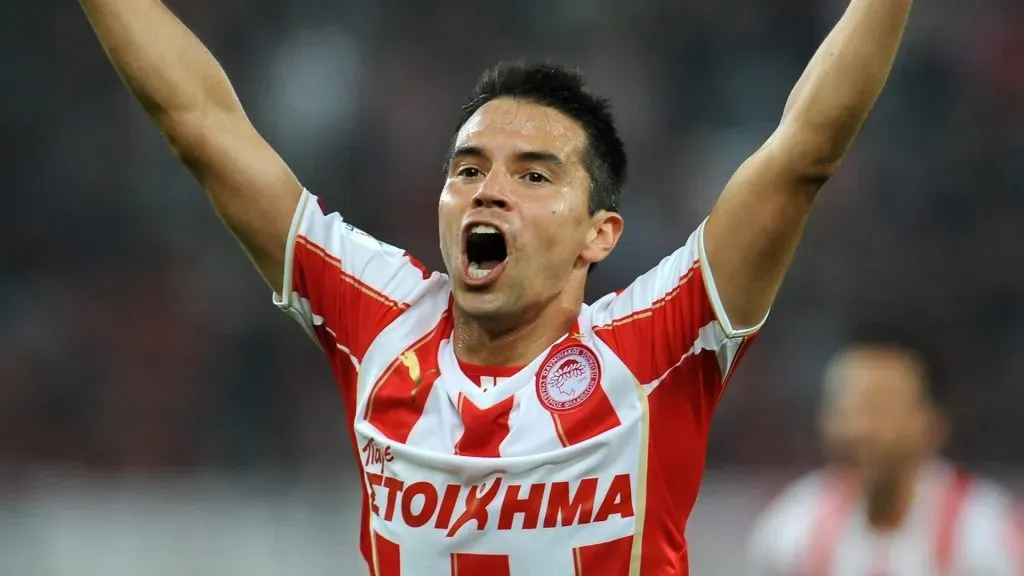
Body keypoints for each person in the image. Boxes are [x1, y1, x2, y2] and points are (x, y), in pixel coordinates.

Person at [79, 0, 915, 572]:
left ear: (601, 234)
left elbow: (802, 152)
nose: (489, 189)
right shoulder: (381, 322)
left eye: (535, 174)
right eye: (469, 167)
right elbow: (203, 127)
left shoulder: (654, 346)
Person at [746, 324, 1023, 575]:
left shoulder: (987, 536)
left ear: (933, 424)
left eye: (879, 408)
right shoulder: (789, 534)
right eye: (844, 408)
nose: (858, 429)